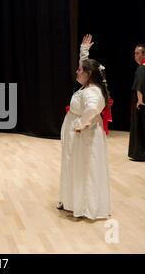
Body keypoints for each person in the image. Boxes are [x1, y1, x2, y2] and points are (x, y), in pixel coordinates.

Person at [58, 34, 110, 220]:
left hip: (84, 136)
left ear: (89, 75)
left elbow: (92, 109)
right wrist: (84, 51)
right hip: (79, 134)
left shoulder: (93, 92)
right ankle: (72, 200)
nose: (77, 72)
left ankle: (85, 205)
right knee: (75, 166)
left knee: (84, 169)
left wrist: (80, 124)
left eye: (80, 70)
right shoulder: (88, 85)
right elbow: (85, 65)